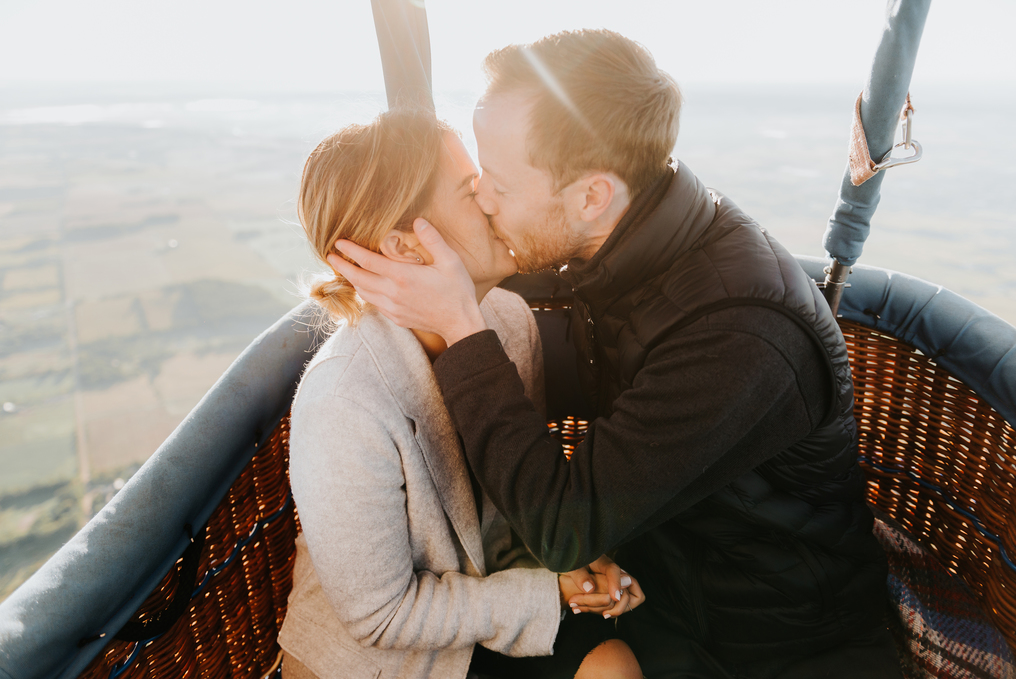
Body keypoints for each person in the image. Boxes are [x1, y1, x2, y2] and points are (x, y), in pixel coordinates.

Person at [330, 30, 904, 679]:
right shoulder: (626, 243)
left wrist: (463, 326)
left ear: (591, 196)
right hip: (655, 591)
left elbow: (562, 529)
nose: (483, 201)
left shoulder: (739, 331)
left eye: (495, 183)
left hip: (770, 643)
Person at [276, 107, 645, 679]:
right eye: (473, 192)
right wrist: (548, 594)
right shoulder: (341, 402)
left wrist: (574, 556)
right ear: (405, 247)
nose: (496, 202)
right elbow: (380, 617)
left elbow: (515, 490)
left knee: (614, 666)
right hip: (388, 658)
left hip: (485, 602)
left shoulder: (508, 319)